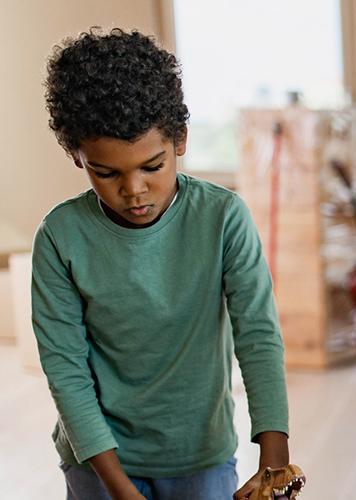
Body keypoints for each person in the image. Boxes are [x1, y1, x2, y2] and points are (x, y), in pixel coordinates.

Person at [34, 28, 290, 500]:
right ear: (77, 156)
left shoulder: (223, 218)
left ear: (180, 140)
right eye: (106, 173)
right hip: (98, 465)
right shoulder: (60, 237)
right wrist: (119, 488)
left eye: (152, 166)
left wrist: (274, 460)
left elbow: (257, 336)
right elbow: (65, 369)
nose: (133, 190)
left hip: (199, 458)